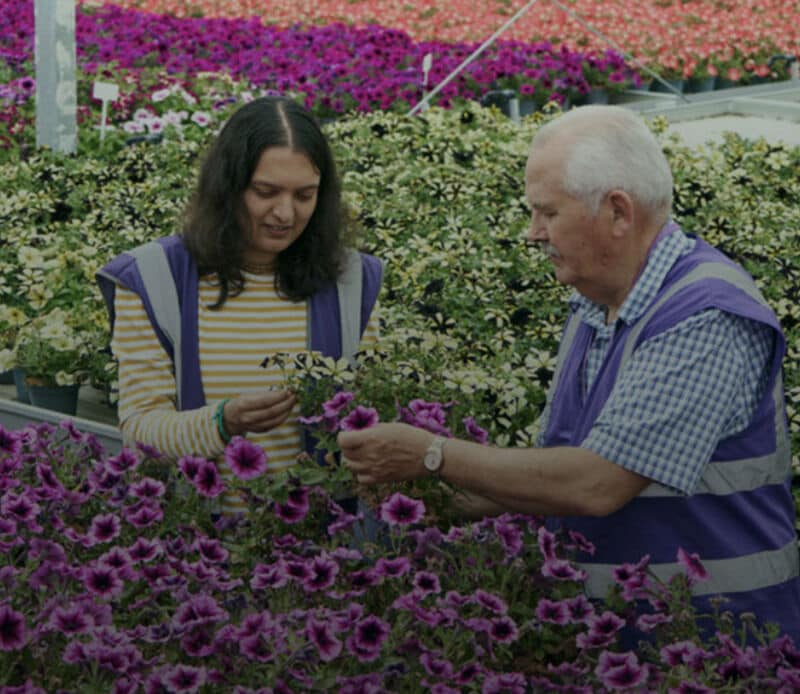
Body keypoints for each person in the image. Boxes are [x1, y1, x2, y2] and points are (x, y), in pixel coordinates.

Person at [338, 105, 799, 641]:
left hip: (720, 645)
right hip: (630, 640)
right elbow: (558, 475)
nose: (532, 233)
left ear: (618, 212)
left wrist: (432, 454)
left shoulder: (705, 316)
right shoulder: (597, 304)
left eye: (547, 213)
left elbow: (597, 483)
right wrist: (436, 499)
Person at [97, 96, 383, 515]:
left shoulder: (351, 282)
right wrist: (221, 423)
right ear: (228, 187)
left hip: (317, 555)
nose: (285, 213)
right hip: (196, 553)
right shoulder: (154, 279)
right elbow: (140, 431)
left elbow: (373, 412)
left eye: (305, 195)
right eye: (265, 192)